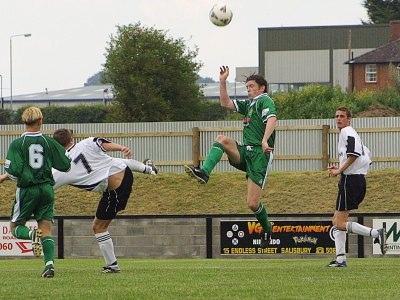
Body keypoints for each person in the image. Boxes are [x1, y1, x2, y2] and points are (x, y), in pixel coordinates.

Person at [184, 66, 277, 248]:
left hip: (259, 155)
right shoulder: (250, 105)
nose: (248, 89)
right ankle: (204, 172)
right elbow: (225, 103)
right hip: (246, 152)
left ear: (262, 88)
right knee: (221, 140)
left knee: (252, 204)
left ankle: (267, 229)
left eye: (251, 86)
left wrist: (265, 140)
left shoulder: (265, 101)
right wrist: (222, 81)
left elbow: (272, 119)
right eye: (247, 87)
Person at [51, 128, 157, 273]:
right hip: (121, 175)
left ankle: (113, 266)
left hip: (115, 189)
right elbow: (104, 144)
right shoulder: (86, 143)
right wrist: (121, 147)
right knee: (114, 161)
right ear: (72, 139)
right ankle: (148, 169)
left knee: (98, 227)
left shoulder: (60, 169)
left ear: (56, 146)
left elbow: (46, 186)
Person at [1, 106, 71, 278]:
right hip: (47, 189)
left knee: (15, 228)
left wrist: (4, 177)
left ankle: (32, 234)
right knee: (46, 229)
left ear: (24, 122)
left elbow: (13, 170)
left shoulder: (18, 144)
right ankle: (49, 265)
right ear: (40, 121)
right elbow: (65, 164)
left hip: (27, 190)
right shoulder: (49, 142)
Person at [327, 107, 387, 267]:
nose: (338, 119)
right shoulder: (354, 134)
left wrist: (340, 170)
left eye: (342, 116)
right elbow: (366, 157)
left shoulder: (347, 131)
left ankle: (376, 233)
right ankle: (340, 259)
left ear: (349, 119)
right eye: (336, 116)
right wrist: (340, 168)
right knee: (337, 220)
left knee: (339, 223)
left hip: (350, 181)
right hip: (357, 180)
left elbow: (354, 154)